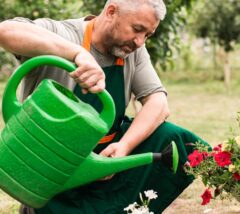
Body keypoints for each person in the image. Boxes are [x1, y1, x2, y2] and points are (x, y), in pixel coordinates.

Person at [0, 0, 208, 213]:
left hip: (105, 158)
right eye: (137, 29)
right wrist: (77, 54)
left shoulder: (133, 50)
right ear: (111, 12)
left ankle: (239, 179)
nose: (140, 41)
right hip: (54, 164)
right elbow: (6, 31)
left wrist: (124, 147)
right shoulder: (64, 33)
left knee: (170, 136)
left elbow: (158, 103)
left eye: (147, 35)